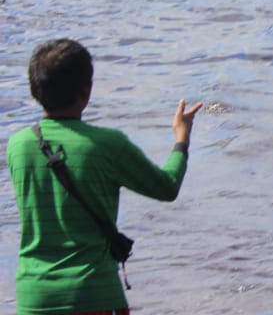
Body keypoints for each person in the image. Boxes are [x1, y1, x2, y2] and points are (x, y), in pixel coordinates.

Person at [7, 38, 203, 315]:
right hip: (94, 294)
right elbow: (167, 187)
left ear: (34, 89)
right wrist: (181, 140)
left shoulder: (18, 146)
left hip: (34, 298)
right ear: (86, 91)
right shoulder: (107, 145)